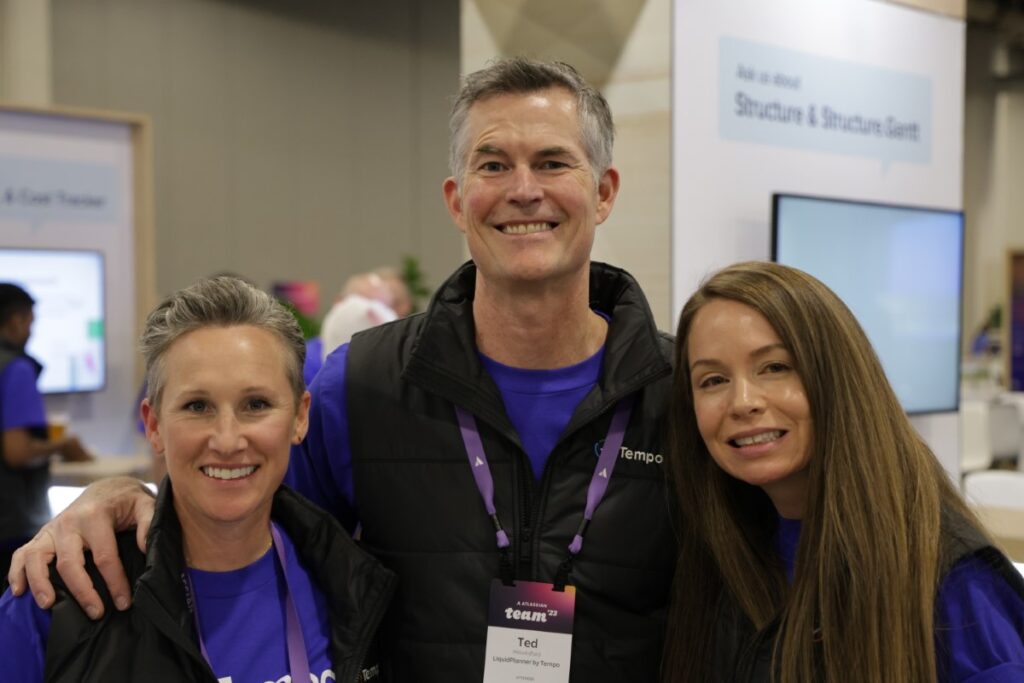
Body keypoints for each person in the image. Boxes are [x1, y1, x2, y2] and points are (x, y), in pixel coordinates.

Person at [8, 58, 677, 682]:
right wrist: (129, 497)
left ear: (605, 190)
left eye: (552, 161)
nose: (523, 190)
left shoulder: (677, 390)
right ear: (456, 197)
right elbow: (238, 506)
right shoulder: (363, 385)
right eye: (494, 164)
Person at [0, 276, 395, 681]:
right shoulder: (56, 599)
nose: (227, 440)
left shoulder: (352, 587)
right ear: (153, 425)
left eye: (256, 404)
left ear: (299, 416)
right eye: (197, 406)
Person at [663, 261, 1024, 682]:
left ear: (837, 376)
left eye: (775, 367)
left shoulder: (950, 576)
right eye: (713, 380)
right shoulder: (723, 553)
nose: (742, 401)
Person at [0, 283, 93, 581]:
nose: (30, 332)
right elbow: (16, 452)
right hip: (12, 522)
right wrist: (61, 445)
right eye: (30, 323)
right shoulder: (16, 369)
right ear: (16, 321)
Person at [302, 268, 409, 387]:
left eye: (384, 307)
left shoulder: (394, 366)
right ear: (339, 303)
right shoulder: (305, 361)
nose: (373, 318)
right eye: (363, 304)